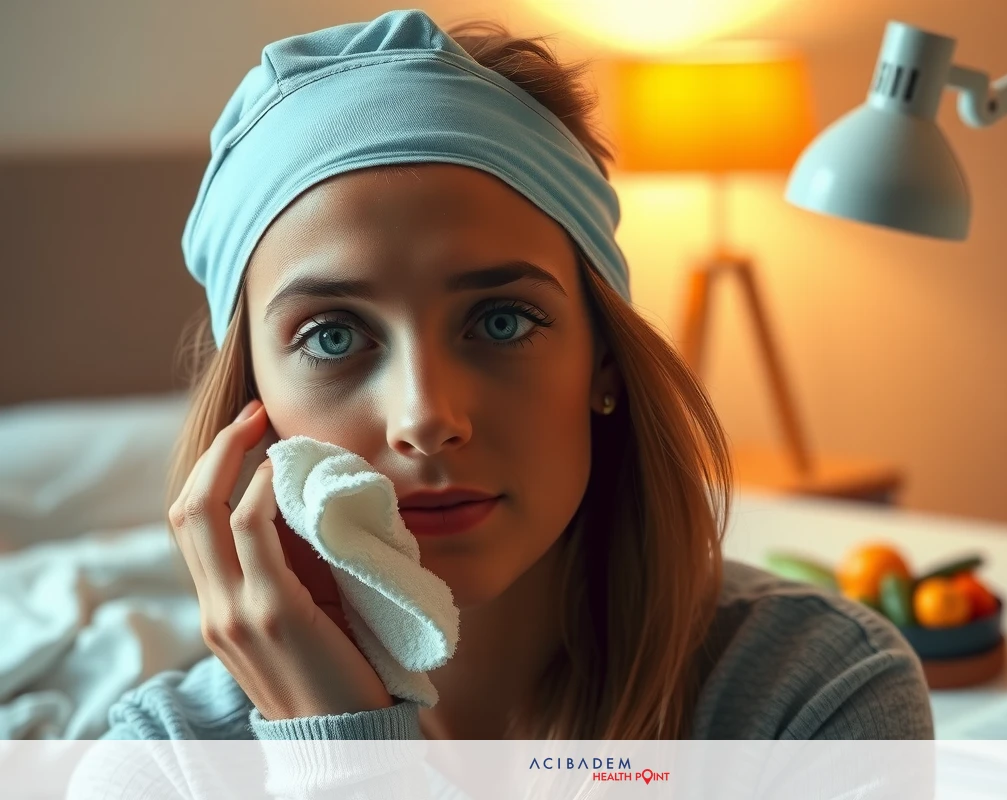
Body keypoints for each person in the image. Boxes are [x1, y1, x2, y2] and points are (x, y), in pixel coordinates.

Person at [97, 9, 934, 743]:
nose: (426, 418)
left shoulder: (815, 695)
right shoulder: (167, 760)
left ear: (604, 361)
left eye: (503, 321)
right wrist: (343, 751)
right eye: (331, 336)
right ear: (256, 403)